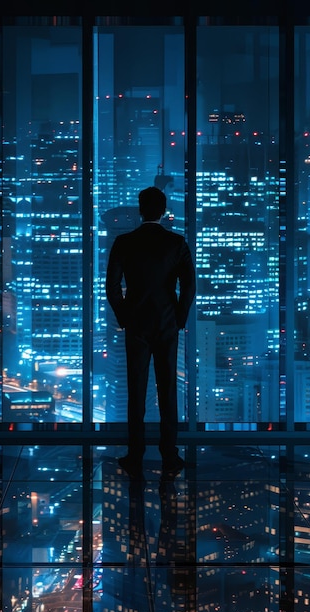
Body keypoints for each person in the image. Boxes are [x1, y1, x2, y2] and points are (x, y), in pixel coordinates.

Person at [106, 186, 196, 479]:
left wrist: (124, 317)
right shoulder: (176, 243)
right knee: (167, 390)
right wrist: (179, 319)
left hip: (137, 325)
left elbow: (112, 287)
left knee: (136, 391)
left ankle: (135, 455)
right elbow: (189, 286)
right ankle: (169, 456)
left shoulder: (123, 242)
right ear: (164, 210)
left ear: (140, 209)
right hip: (167, 323)